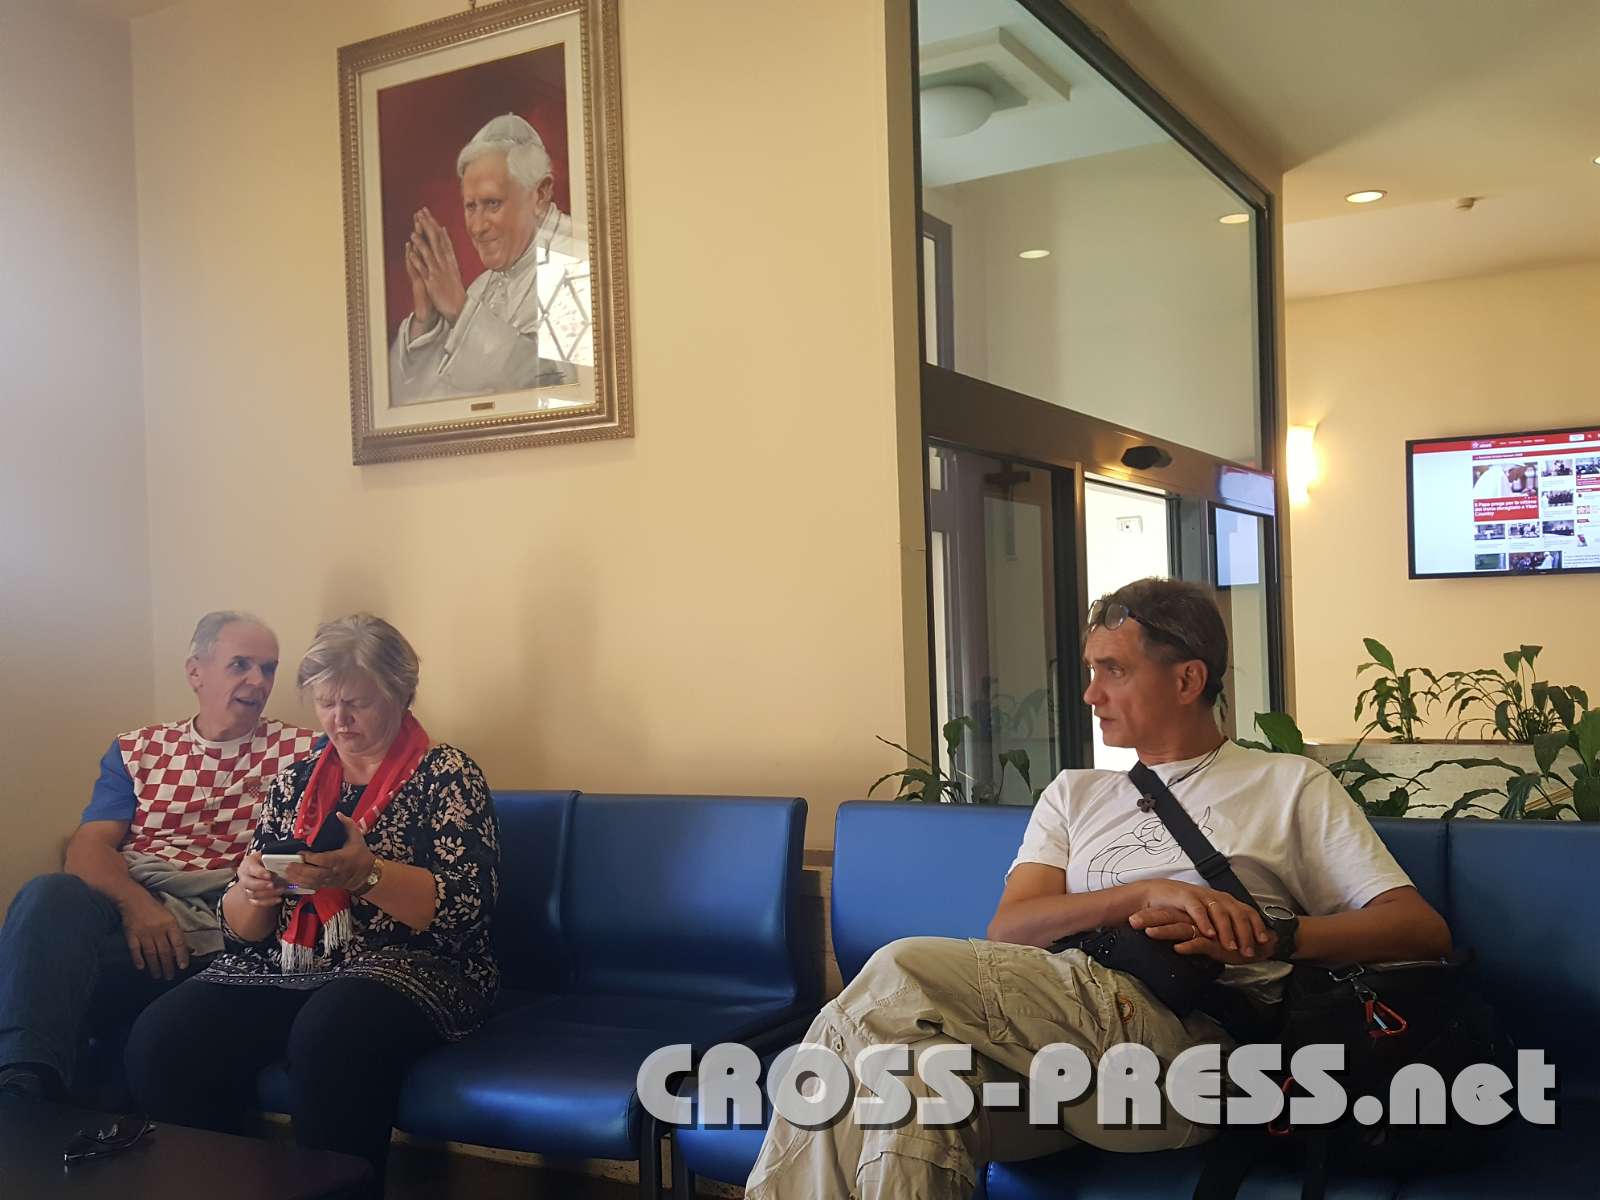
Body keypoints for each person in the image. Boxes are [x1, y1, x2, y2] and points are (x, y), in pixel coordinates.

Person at [745, 578, 1451, 1199]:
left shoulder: (1288, 785)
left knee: (901, 969)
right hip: (1054, 1052)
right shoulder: (1075, 794)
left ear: (1187, 680)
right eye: (1091, 671)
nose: (1091, 694)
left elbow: (1419, 928)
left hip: (1189, 1056)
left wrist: (1268, 936)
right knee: (904, 1087)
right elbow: (1011, 929)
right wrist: (1141, 895)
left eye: (1113, 670)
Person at [125, 614, 499, 1194]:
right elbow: (244, 934)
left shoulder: (446, 775)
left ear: (401, 695)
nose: (338, 720)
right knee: (164, 1036)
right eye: (326, 703)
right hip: (294, 965)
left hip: (421, 966)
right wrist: (253, 888)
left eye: (357, 703)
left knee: (331, 1029)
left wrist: (366, 874)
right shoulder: (293, 783)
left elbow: (464, 909)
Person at [0, 612, 317, 1103]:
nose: (258, 681)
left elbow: (307, 866)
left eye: (268, 668)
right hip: (136, 903)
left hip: (228, 922)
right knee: (49, 895)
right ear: (196, 672)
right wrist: (136, 906)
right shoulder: (139, 750)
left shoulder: (305, 752)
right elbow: (88, 847)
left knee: (47, 976)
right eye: (240, 665)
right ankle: (24, 1089)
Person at [389, 112, 588, 404]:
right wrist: (425, 318)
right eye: (470, 206)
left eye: (492, 203)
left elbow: (561, 391)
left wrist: (460, 311)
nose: (477, 227)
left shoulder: (578, 261)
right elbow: (417, 403)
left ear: (540, 194)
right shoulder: (483, 286)